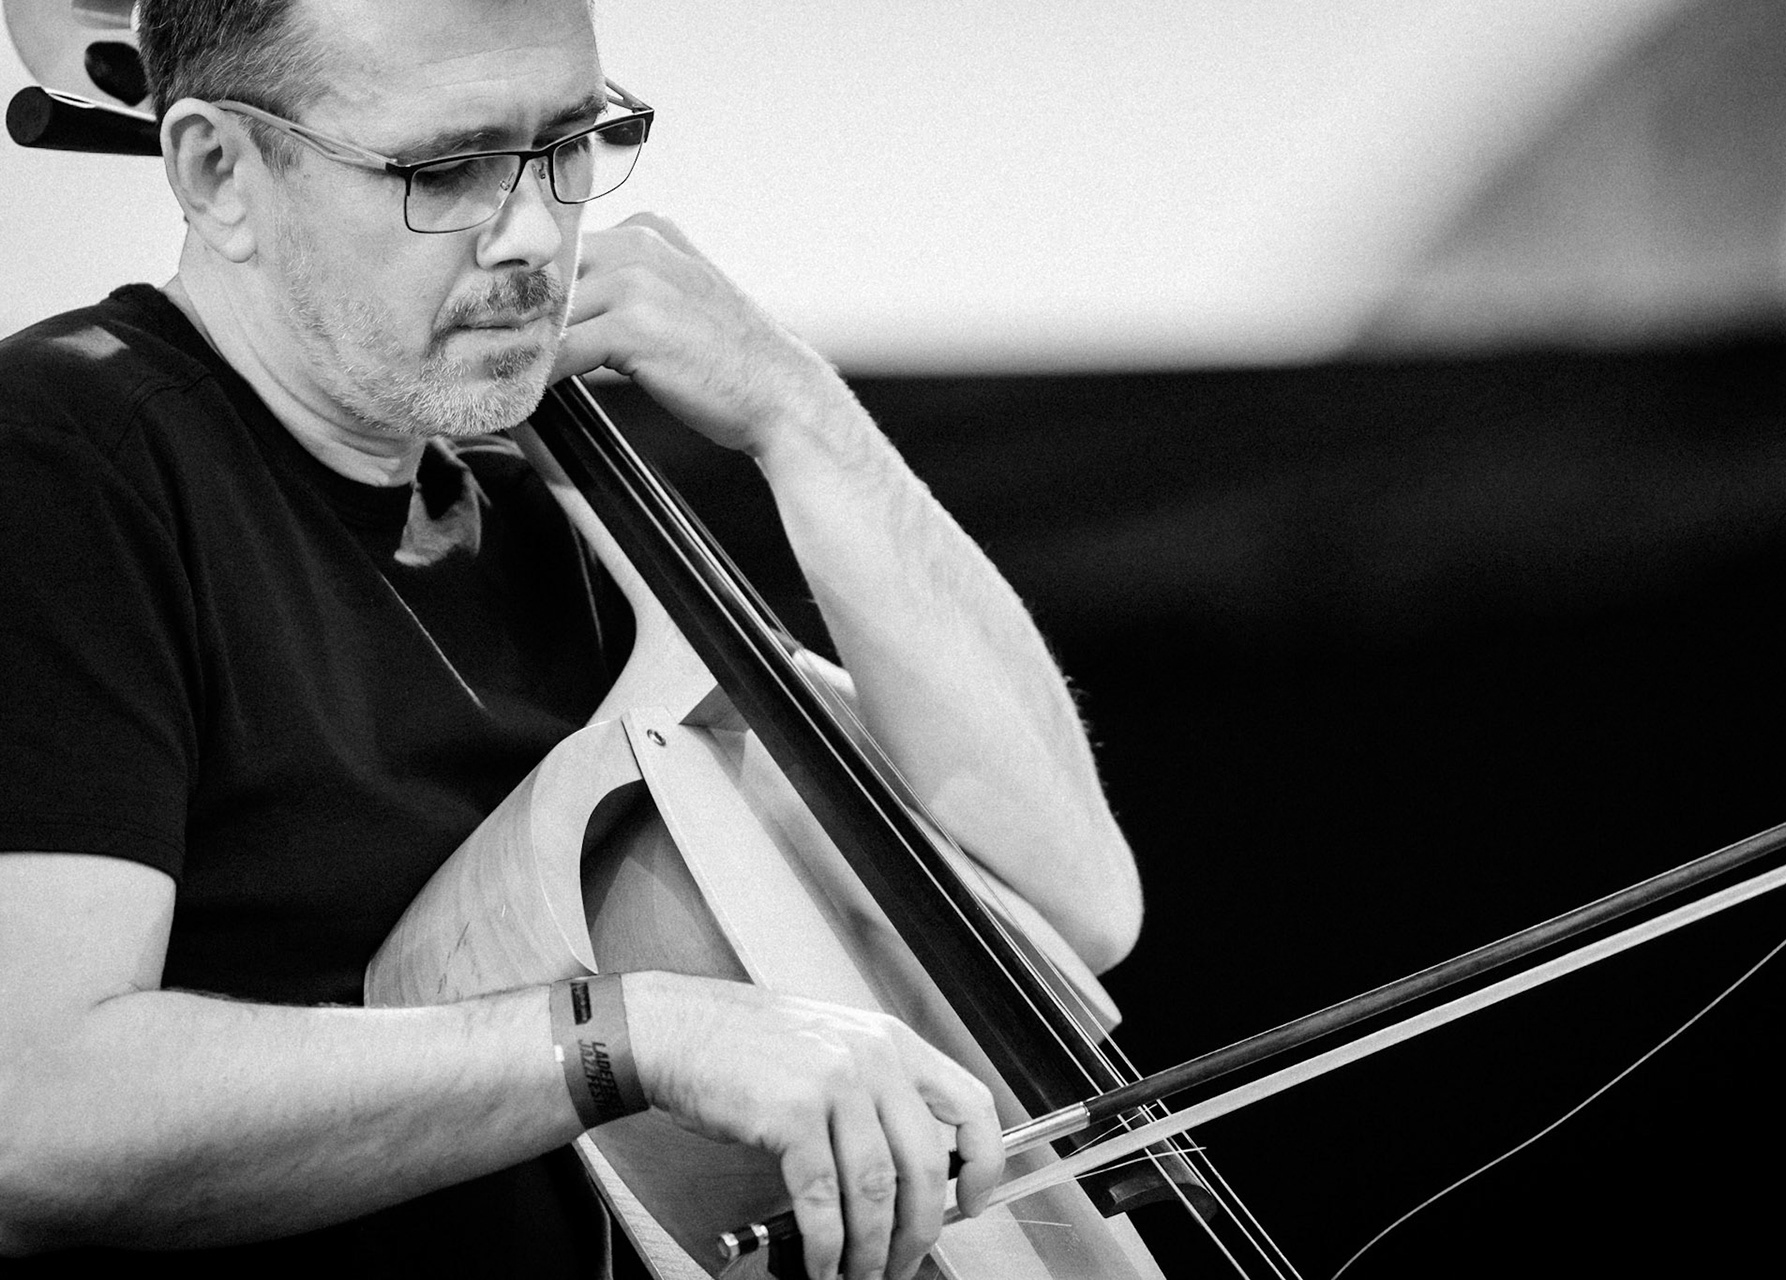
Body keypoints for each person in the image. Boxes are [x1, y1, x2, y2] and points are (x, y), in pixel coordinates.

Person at [0, 1, 1143, 1277]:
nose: (536, 232)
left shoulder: (555, 531)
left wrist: (795, 410)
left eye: (569, 144)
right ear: (219, 172)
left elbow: (1067, 898)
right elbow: (33, 1117)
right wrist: (632, 1036)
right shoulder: (65, 456)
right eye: (448, 169)